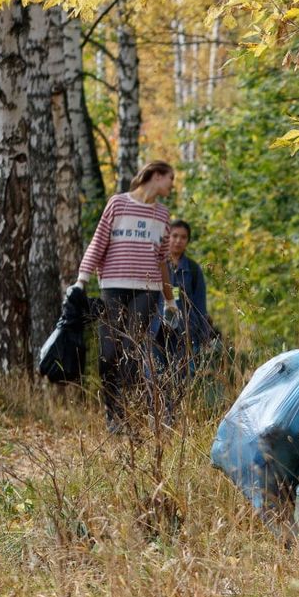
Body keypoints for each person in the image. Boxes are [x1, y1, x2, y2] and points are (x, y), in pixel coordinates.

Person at [75, 160, 176, 433]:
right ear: (156, 176)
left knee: (131, 351)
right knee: (108, 353)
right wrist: (81, 281)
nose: (172, 185)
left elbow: (163, 262)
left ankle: (130, 414)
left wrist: (170, 300)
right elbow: (98, 242)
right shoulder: (118, 204)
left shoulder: (163, 215)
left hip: (148, 290)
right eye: (170, 178)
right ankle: (112, 413)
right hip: (113, 286)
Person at [156, 219, 212, 383]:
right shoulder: (156, 265)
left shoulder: (193, 270)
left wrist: (203, 336)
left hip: (185, 333)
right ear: (167, 237)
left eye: (183, 237)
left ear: (187, 240)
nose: (178, 241)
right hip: (158, 332)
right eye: (174, 236)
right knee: (157, 377)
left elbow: (200, 305)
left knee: (181, 379)